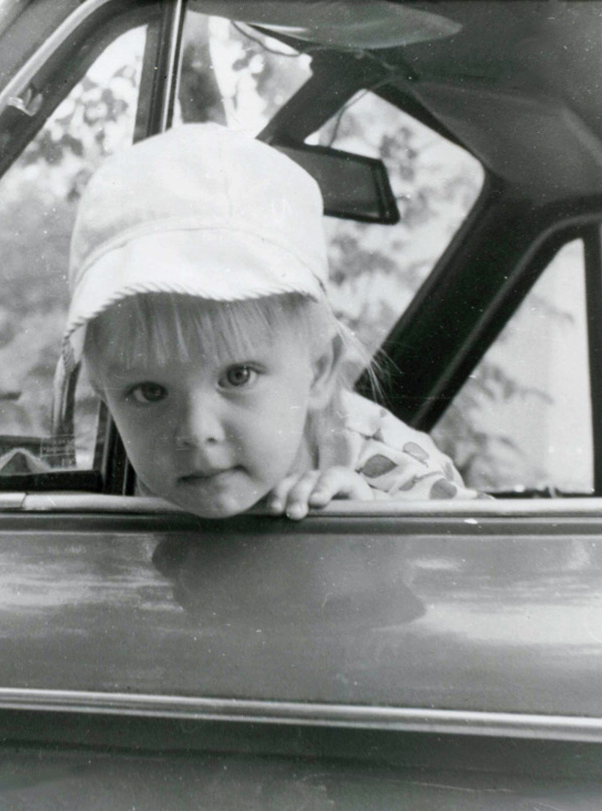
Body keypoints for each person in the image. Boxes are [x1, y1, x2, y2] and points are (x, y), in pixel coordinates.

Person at [61, 123, 481, 519]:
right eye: (149, 392)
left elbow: (488, 571)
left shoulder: (396, 469)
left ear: (317, 371)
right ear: (105, 395)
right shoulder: (140, 481)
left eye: (238, 375)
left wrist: (375, 533)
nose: (196, 431)